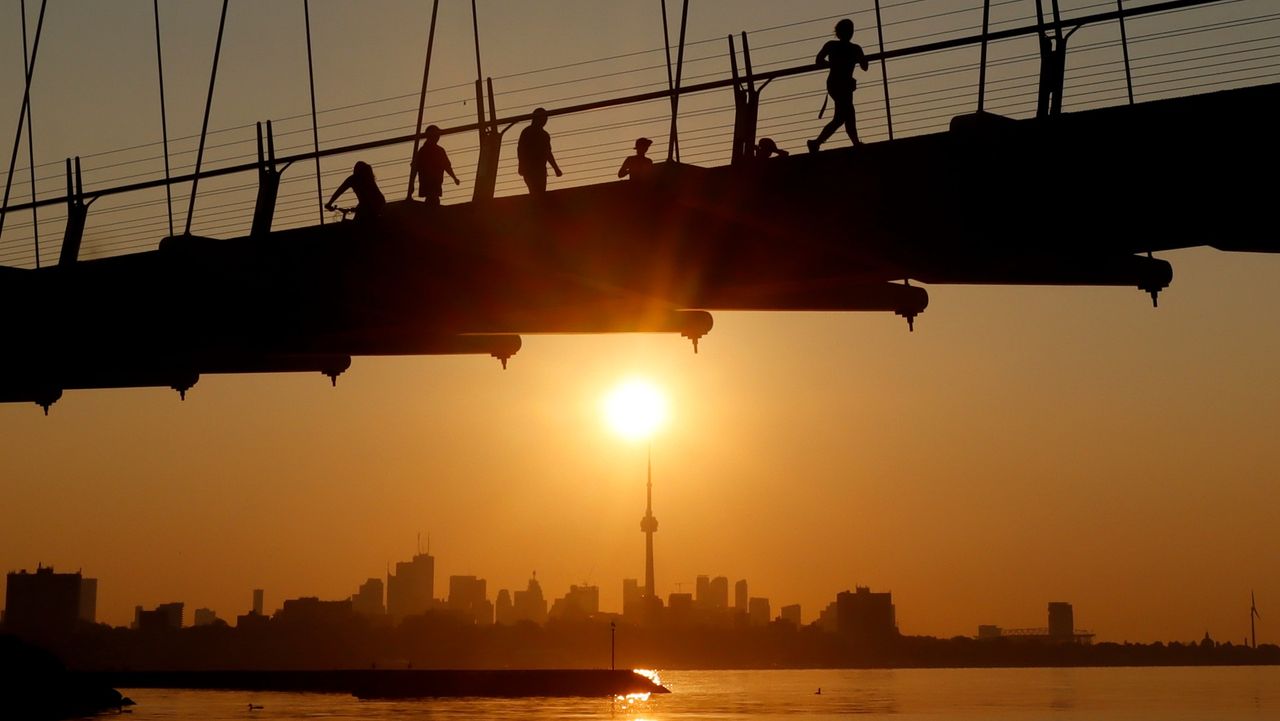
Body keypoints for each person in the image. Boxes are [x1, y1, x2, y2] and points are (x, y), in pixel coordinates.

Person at [807, 18, 869, 153]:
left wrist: (833, 64)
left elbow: (819, 60)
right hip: (841, 84)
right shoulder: (854, 48)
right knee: (847, 113)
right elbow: (865, 66)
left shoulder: (834, 46)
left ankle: (816, 142)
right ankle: (855, 143)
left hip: (838, 84)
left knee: (842, 116)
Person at [410, 125, 460, 206]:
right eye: (436, 135)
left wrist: (454, 178)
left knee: (432, 201)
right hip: (431, 184)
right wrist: (412, 184)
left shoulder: (429, 151)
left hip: (433, 184)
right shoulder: (426, 151)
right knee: (433, 202)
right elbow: (415, 168)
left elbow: (446, 166)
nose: (438, 137)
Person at [517, 107, 562, 195]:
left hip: (538, 169)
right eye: (543, 118)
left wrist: (556, 168)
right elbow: (521, 150)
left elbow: (548, 153)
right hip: (532, 169)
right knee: (538, 192)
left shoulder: (540, 134)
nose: (545, 121)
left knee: (537, 192)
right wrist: (556, 169)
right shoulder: (530, 133)